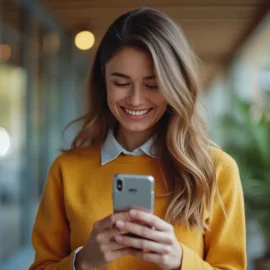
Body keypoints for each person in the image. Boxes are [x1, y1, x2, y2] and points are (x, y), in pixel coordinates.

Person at [29, 7, 246, 270]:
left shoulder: (217, 170)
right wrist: (82, 261)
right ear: (103, 81)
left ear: (176, 84)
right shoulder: (66, 169)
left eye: (152, 85)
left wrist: (181, 262)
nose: (135, 100)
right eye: (121, 83)